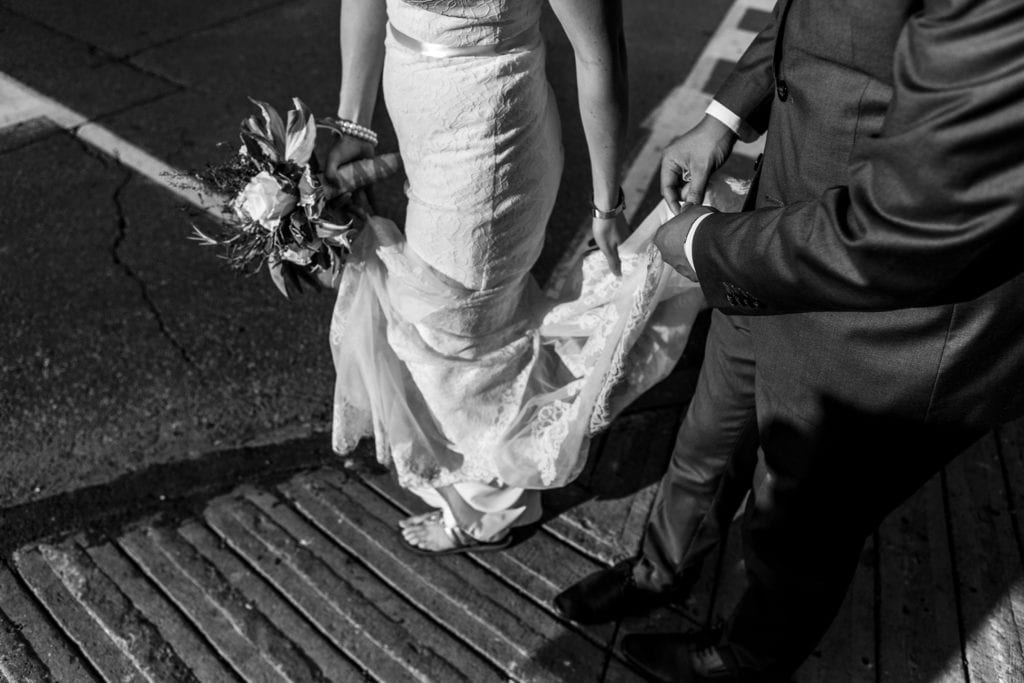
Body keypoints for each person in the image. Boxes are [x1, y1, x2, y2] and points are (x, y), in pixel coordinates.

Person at [595, 0, 1024, 681]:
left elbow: (920, 215)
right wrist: (724, 116)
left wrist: (709, 242)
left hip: (876, 316)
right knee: (708, 430)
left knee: (800, 529)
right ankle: (661, 569)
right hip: (772, 230)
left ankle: (745, 660)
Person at [317, 0, 705, 555]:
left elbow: (600, 56)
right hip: (420, 119)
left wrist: (606, 206)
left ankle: (491, 510)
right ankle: (495, 482)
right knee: (462, 330)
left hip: (489, 144)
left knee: (456, 333)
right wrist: (354, 120)